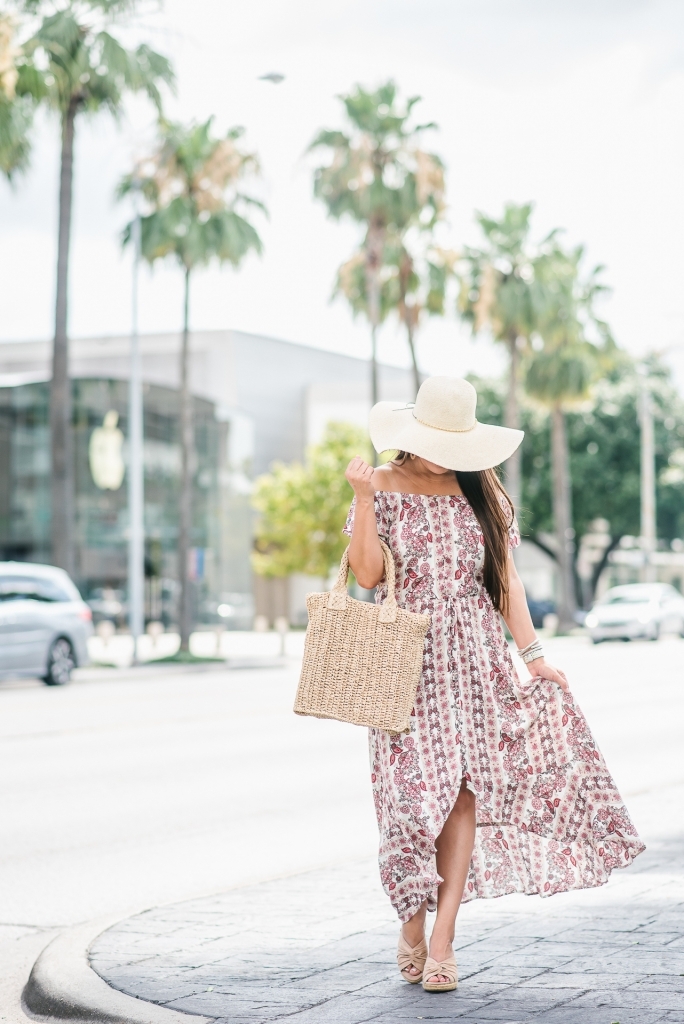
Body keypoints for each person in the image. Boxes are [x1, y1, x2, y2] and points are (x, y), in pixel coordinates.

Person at [343, 376, 644, 994]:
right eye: (435, 444)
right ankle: (411, 920)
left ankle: (444, 938)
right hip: (406, 663)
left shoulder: (485, 492)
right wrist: (364, 500)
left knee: (462, 795)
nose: (443, 457)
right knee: (407, 805)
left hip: (477, 660)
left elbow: (506, 581)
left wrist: (533, 656)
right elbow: (367, 576)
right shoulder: (385, 485)